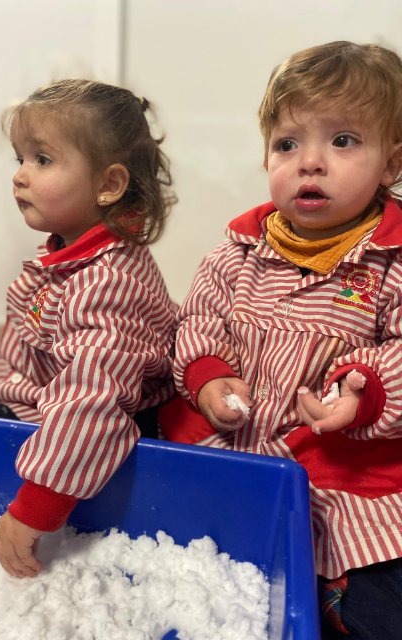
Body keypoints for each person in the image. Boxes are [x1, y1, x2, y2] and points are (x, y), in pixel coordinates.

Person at [159, 41, 402, 639]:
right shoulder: (237, 251)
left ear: (390, 164)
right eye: (287, 144)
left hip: (338, 473)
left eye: (342, 141)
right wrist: (209, 377)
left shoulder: (392, 262)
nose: (309, 163)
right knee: (173, 542)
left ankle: (333, 590)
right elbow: (199, 321)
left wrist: (362, 392)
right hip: (232, 447)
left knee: (378, 607)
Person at [0, 79, 178, 578]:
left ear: (109, 185)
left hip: (94, 415)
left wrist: (36, 506)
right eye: (19, 158)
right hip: (41, 376)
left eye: (42, 160)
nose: (19, 175)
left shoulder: (108, 284)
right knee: (7, 350)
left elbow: (92, 403)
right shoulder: (67, 253)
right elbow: (24, 344)